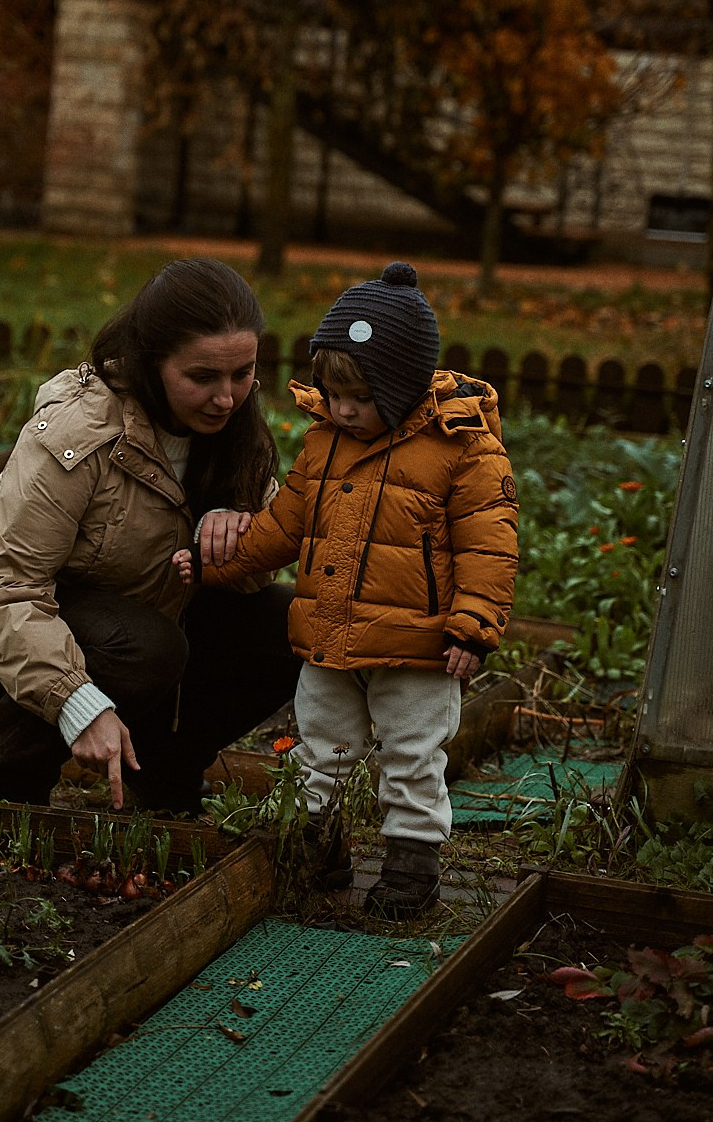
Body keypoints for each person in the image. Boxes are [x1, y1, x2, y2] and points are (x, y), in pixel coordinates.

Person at [174, 261, 518, 917]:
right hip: (330, 633)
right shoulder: (325, 443)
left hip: (418, 648)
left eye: (359, 395)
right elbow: (284, 525)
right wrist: (216, 564)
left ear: (403, 385)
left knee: (412, 756)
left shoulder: (465, 450)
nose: (343, 408)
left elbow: (489, 546)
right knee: (320, 745)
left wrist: (473, 627)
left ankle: (412, 869)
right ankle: (315, 847)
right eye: (332, 393)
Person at [0, 257, 300, 813]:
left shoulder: (235, 435)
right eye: (202, 377)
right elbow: (4, 586)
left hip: (136, 624)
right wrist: (78, 703)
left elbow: (252, 581)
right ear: (151, 364)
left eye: (242, 373)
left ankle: (165, 771)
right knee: (147, 648)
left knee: (288, 624)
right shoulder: (79, 434)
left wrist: (236, 539)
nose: (227, 397)